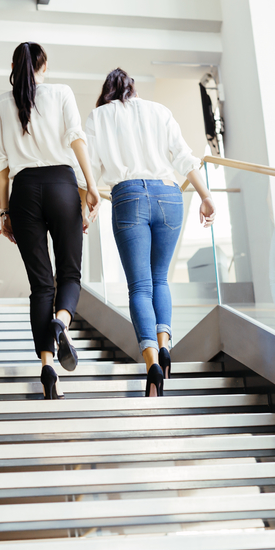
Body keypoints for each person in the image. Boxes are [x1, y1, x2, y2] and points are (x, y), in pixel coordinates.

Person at [86, 68, 215, 398]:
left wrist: (87, 199)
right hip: (171, 195)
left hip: (128, 195)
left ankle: (152, 363)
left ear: (107, 92)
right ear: (133, 88)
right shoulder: (159, 111)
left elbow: (89, 168)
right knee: (160, 280)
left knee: (140, 287)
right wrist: (205, 196)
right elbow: (185, 157)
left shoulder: (99, 116)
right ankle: (165, 343)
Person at [0, 42, 100, 400]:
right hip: (61, 185)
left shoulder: (0, 103)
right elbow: (76, 138)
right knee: (69, 273)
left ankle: (47, 366)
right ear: (45, 65)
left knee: (41, 285)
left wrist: (3, 210)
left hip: (23, 190)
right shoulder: (60, 92)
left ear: (13, 65)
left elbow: (0, 164)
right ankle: (63, 322)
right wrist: (91, 187)